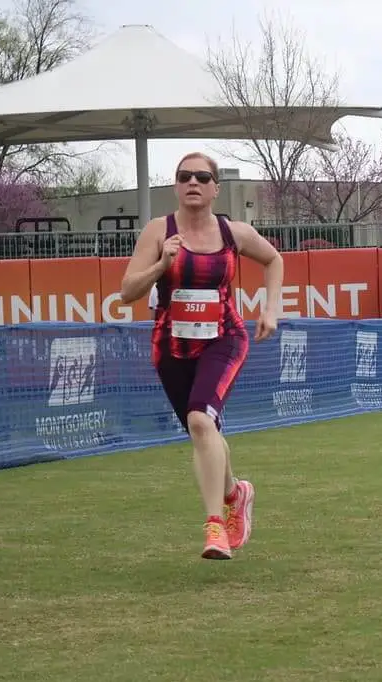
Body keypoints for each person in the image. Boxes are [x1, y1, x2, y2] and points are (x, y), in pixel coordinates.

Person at [120, 151, 284, 561]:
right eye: (184, 176)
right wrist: (162, 264)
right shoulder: (159, 231)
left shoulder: (234, 233)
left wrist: (271, 309)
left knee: (199, 419)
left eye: (201, 177)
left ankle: (215, 527)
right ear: (176, 185)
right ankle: (235, 492)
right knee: (203, 430)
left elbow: (274, 259)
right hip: (171, 345)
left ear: (215, 188)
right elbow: (127, 291)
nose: (192, 182)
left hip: (223, 338)